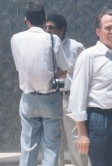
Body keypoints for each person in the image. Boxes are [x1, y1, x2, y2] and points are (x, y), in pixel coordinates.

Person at [10, 1, 69, 166]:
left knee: (28, 145)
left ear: (26, 21)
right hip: (50, 98)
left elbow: (18, 67)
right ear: (44, 20)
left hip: (28, 97)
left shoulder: (16, 39)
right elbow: (65, 68)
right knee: (51, 145)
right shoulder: (53, 39)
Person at [67, 9, 112, 166]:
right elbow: (78, 95)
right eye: (108, 28)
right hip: (99, 120)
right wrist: (82, 134)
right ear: (98, 31)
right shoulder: (89, 56)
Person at [45, 14, 89, 166]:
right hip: (50, 98)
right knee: (53, 141)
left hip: (70, 98)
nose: (47, 30)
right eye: (46, 27)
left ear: (62, 29)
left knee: (76, 139)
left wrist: (67, 72)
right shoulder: (44, 45)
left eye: (51, 27)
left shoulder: (76, 47)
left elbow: (84, 74)